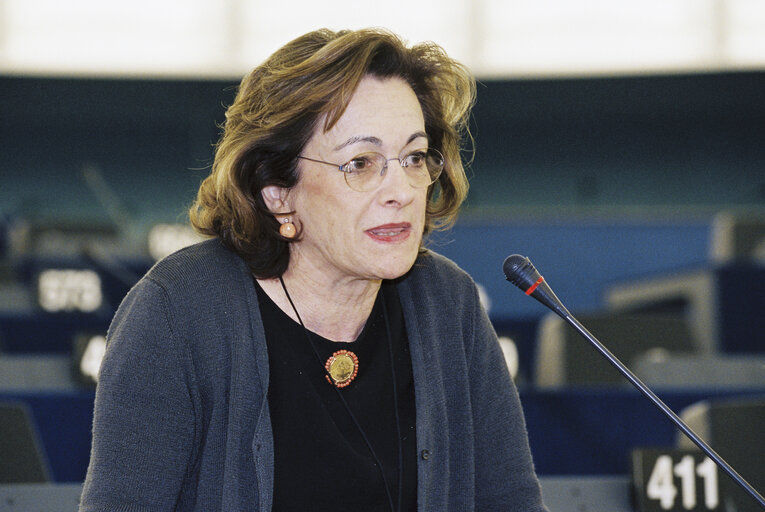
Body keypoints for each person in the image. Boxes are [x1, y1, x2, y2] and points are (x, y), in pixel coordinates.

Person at [79, 28, 548, 512]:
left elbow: (510, 502)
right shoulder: (179, 313)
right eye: (361, 163)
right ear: (276, 190)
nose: (402, 191)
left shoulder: (447, 303)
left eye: (413, 157)